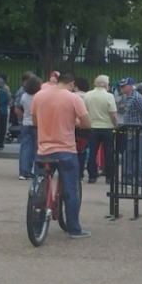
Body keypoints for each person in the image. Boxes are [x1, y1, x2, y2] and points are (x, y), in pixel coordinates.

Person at [34, 71, 92, 239]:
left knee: (41, 182)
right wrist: (76, 123)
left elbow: (36, 121)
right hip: (66, 148)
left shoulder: (39, 95)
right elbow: (87, 123)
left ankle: (38, 213)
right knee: (70, 189)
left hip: (43, 148)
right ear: (72, 83)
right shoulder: (73, 98)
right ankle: (74, 228)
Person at [13, 74, 40, 180]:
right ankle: (37, 170)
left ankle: (24, 171)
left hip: (26, 123)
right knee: (37, 149)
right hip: (37, 123)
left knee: (25, 148)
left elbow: (18, 109)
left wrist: (24, 117)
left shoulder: (24, 96)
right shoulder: (39, 96)